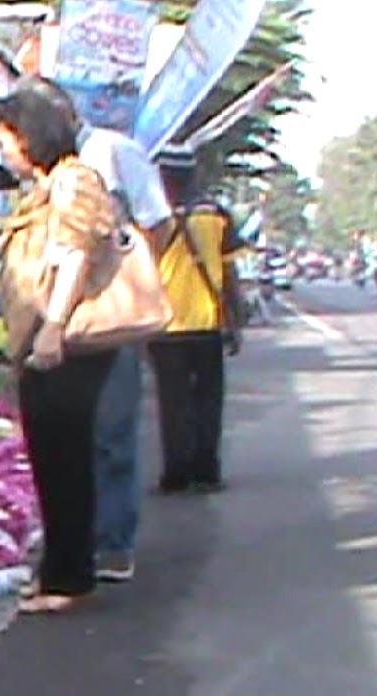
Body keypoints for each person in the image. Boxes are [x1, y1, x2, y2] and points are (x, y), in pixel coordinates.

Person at [34, 76, 174, 584]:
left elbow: (158, 221)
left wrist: (129, 279)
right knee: (73, 432)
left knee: (112, 431)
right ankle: (81, 541)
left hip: (106, 317)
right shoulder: (48, 172)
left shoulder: (113, 153)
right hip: (55, 314)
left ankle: (113, 542)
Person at [0, 83, 120, 614]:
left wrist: (52, 326)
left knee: (64, 457)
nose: (2, 150)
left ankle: (70, 578)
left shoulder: (73, 181)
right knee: (51, 457)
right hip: (45, 340)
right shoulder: (49, 185)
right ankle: (57, 572)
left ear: (31, 136)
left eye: (7, 138)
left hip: (64, 341)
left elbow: (74, 254)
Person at [150, 147, 247, 495]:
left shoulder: (151, 217)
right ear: (194, 175)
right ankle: (207, 471)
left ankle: (176, 474)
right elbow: (229, 271)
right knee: (208, 400)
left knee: (172, 402)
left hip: (164, 327)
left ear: (161, 177)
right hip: (207, 325)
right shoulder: (216, 215)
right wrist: (234, 320)